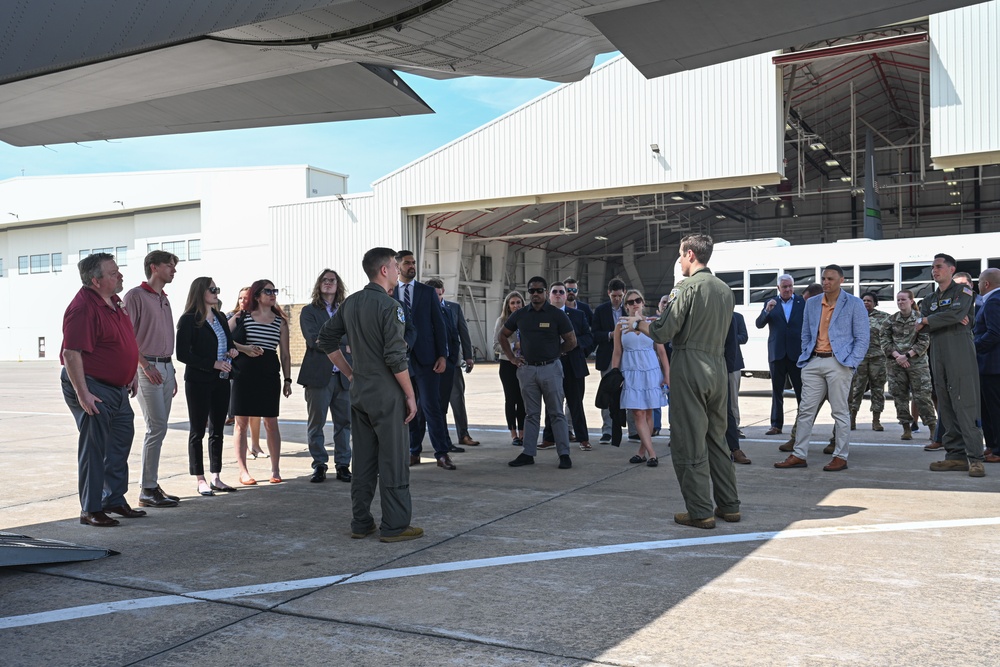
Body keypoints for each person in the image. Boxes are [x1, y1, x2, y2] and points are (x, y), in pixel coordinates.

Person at [626, 234, 738, 529]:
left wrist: (638, 323)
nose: (679, 260)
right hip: (718, 365)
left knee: (689, 440)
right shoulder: (725, 290)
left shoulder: (685, 288)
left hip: (690, 364)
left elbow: (664, 332)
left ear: (690, 254)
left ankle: (701, 511)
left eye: (680, 254)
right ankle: (729, 505)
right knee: (717, 438)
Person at [317, 247, 422, 542]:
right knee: (394, 460)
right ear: (385, 270)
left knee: (363, 461)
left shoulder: (350, 303)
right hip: (387, 394)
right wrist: (410, 395)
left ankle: (361, 521)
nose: (398, 270)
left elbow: (325, 339)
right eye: (394, 265)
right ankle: (396, 525)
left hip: (360, 391)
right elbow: (395, 357)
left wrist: (350, 373)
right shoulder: (391, 307)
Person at [61, 253, 143, 527]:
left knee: (119, 443)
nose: (120, 276)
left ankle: (114, 500)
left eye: (118, 271)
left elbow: (122, 343)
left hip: (118, 388)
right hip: (93, 386)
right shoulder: (83, 308)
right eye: (113, 273)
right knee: (94, 449)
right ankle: (91, 508)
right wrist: (83, 394)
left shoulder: (115, 302)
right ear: (96, 281)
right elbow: (71, 353)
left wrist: (131, 373)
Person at [775, 265, 869, 472]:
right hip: (814, 361)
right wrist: (806, 358)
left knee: (840, 412)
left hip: (840, 363)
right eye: (824, 278)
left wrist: (851, 363)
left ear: (842, 280)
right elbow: (806, 333)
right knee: (805, 411)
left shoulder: (854, 304)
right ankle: (799, 454)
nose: (826, 282)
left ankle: (840, 456)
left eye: (830, 279)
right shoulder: (813, 303)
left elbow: (863, 338)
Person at [917, 254, 985, 477]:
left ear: (951, 269)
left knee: (965, 403)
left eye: (938, 266)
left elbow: (957, 313)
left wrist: (930, 320)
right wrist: (936, 319)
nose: (934, 270)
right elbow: (921, 326)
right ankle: (955, 456)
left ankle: (975, 458)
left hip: (960, 351)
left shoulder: (963, 292)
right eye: (932, 267)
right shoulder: (928, 300)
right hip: (937, 352)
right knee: (944, 403)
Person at [123, 250, 181, 509]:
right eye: (170, 266)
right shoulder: (136, 296)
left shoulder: (164, 299)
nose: (174, 270)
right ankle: (147, 489)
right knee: (156, 428)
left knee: (160, 428)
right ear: (154, 267)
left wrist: (172, 372)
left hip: (166, 368)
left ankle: (152, 485)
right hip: (148, 369)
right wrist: (145, 366)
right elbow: (127, 336)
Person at [500, 276, 577, 470]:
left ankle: (564, 454)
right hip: (528, 370)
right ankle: (528, 453)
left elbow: (571, 340)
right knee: (531, 414)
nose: (535, 294)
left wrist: (556, 353)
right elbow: (503, 335)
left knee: (556, 413)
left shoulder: (556, 314)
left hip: (551, 368)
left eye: (539, 290)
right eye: (532, 291)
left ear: (545, 292)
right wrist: (512, 358)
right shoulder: (521, 315)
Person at [176, 277, 239, 496]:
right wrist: (211, 363)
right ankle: (200, 478)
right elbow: (182, 354)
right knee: (197, 430)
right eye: (212, 289)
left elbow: (229, 343)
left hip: (221, 379)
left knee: (218, 430)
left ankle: (216, 477)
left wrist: (232, 351)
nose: (216, 292)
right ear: (200, 292)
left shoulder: (221, 317)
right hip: (198, 381)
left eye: (217, 289)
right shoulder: (188, 320)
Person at [392, 250, 456, 470]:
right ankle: (413, 451)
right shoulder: (389, 293)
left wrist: (442, 355)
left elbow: (439, 325)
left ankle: (442, 453)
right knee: (407, 409)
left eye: (414, 262)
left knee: (431, 407)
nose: (412, 266)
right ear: (397, 266)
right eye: (407, 263)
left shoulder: (427, 292)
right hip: (399, 360)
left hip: (428, 359)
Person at [229, 279, 293, 485]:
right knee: (241, 422)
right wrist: (244, 348)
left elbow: (285, 354)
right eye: (267, 291)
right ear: (257, 296)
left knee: (271, 422)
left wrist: (288, 379)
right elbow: (222, 339)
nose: (272, 294)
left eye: (274, 291)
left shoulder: (280, 321)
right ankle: (243, 471)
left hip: (269, 372)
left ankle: (275, 469)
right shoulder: (242, 316)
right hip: (244, 372)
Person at [297, 269, 352, 484]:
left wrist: (340, 343)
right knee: (316, 423)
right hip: (319, 376)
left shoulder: (347, 311)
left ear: (338, 285)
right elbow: (314, 340)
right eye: (324, 280)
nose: (328, 283)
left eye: (332, 280)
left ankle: (343, 465)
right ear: (318, 285)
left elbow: (354, 339)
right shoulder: (309, 311)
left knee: (344, 424)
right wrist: (343, 344)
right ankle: (319, 464)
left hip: (344, 376)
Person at [612, 289, 669, 466]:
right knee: (637, 412)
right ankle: (652, 453)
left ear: (643, 303)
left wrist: (667, 375)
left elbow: (661, 352)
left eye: (637, 300)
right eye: (630, 302)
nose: (634, 303)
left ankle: (642, 452)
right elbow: (617, 353)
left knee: (649, 412)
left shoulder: (652, 323)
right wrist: (613, 375)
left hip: (651, 371)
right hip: (631, 372)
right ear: (625, 305)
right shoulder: (620, 326)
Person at [426, 278, 479, 448]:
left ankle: (463, 434)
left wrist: (468, 356)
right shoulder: (423, 310)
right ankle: (444, 440)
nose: (439, 297)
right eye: (435, 295)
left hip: (453, 363)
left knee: (457, 400)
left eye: (440, 294)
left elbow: (463, 333)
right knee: (437, 404)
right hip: (431, 365)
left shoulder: (453, 308)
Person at [541, 282, 594, 451]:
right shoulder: (542, 316)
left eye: (561, 292)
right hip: (551, 365)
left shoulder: (578, 315)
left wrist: (573, 344)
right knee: (551, 403)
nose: (558, 295)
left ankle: (583, 438)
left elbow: (589, 337)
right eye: (555, 292)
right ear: (549, 295)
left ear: (566, 296)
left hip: (573, 365)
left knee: (576, 404)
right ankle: (549, 438)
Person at [881, 290, 935, 441]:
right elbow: (884, 341)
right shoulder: (890, 320)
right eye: (898, 300)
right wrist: (898, 356)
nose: (900, 302)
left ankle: (932, 427)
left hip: (917, 364)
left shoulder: (920, 320)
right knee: (899, 397)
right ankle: (906, 428)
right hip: (895, 364)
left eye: (903, 299)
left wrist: (907, 356)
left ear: (911, 301)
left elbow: (924, 341)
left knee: (922, 396)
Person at [756, 274, 805, 436]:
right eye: (784, 287)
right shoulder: (771, 303)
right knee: (777, 391)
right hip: (777, 353)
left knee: (801, 391)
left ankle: (802, 425)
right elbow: (759, 324)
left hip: (796, 353)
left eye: (790, 286)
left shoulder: (801, 302)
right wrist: (766, 311)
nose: (788, 289)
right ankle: (776, 425)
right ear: (778, 288)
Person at [593, 279, 632, 442]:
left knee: (631, 391)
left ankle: (634, 430)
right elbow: (594, 333)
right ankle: (607, 430)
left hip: (628, 356)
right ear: (608, 293)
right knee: (608, 391)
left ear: (624, 293)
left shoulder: (629, 307)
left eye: (619, 295)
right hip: (608, 355)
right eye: (614, 295)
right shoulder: (601, 311)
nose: (617, 299)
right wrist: (611, 334)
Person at [847, 292, 891, 431]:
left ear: (875, 303)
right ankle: (852, 419)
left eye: (869, 301)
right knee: (856, 389)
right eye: (864, 300)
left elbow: (890, 336)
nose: (866, 303)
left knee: (877, 389)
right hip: (859, 359)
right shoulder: (854, 316)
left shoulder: (884, 317)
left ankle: (876, 420)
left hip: (878, 358)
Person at [494, 291, 526, 447]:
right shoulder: (502, 322)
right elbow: (495, 345)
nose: (516, 306)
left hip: (525, 363)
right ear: (507, 306)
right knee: (511, 399)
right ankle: (513, 433)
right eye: (512, 303)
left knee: (523, 400)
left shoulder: (527, 319)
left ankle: (523, 432)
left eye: (518, 303)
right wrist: (514, 346)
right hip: (507, 364)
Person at [975, 269, 1000, 461]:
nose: (977, 285)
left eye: (979, 282)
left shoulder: (993, 301)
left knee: (994, 410)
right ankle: (991, 445)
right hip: (988, 365)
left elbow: (994, 333)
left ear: (986, 284)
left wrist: (973, 347)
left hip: (992, 366)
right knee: (987, 409)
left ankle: (998, 450)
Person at [729, 310, 748, 438]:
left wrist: (729, 338)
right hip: (715, 363)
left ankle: (735, 426)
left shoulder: (737, 317)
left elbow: (744, 337)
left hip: (733, 363)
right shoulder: (713, 315)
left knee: (733, 398)